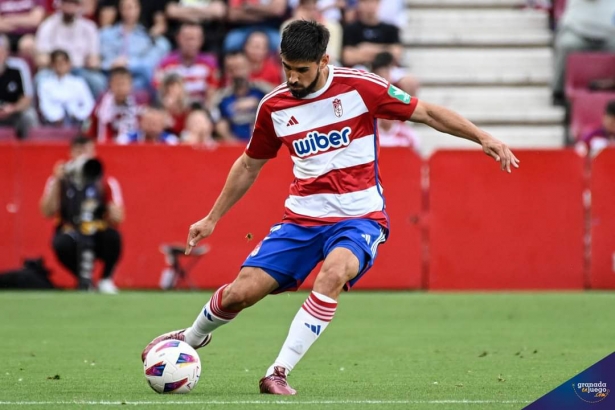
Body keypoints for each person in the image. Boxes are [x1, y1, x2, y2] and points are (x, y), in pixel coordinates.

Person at [141, 20, 519, 395]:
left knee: (333, 274)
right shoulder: (273, 106)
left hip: (359, 217)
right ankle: (191, 337)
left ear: (323, 61)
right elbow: (248, 164)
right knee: (242, 292)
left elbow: (427, 113)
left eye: (302, 70)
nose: (293, 77)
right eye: (287, 67)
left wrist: (481, 136)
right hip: (301, 219)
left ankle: (278, 371)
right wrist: (212, 218)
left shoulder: (360, 87)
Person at [39, 135, 124, 294]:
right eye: (79, 151)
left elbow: (119, 217)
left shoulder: (104, 181)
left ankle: (106, 279)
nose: (83, 155)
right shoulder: (60, 179)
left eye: (87, 150)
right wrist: (58, 181)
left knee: (113, 237)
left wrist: (111, 209)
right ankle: (84, 280)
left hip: (96, 229)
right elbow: (47, 211)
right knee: (61, 243)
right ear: (71, 153)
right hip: (72, 231)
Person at [37, 49, 95, 126]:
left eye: (63, 63)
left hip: (77, 121)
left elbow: (89, 104)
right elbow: (44, 106)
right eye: (57, 63)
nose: (60, 66)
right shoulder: (45, 84)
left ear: (69, 64)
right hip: (53, 122)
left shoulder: (78, 83)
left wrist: (78, 115)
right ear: (52, 65)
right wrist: (56, 117)